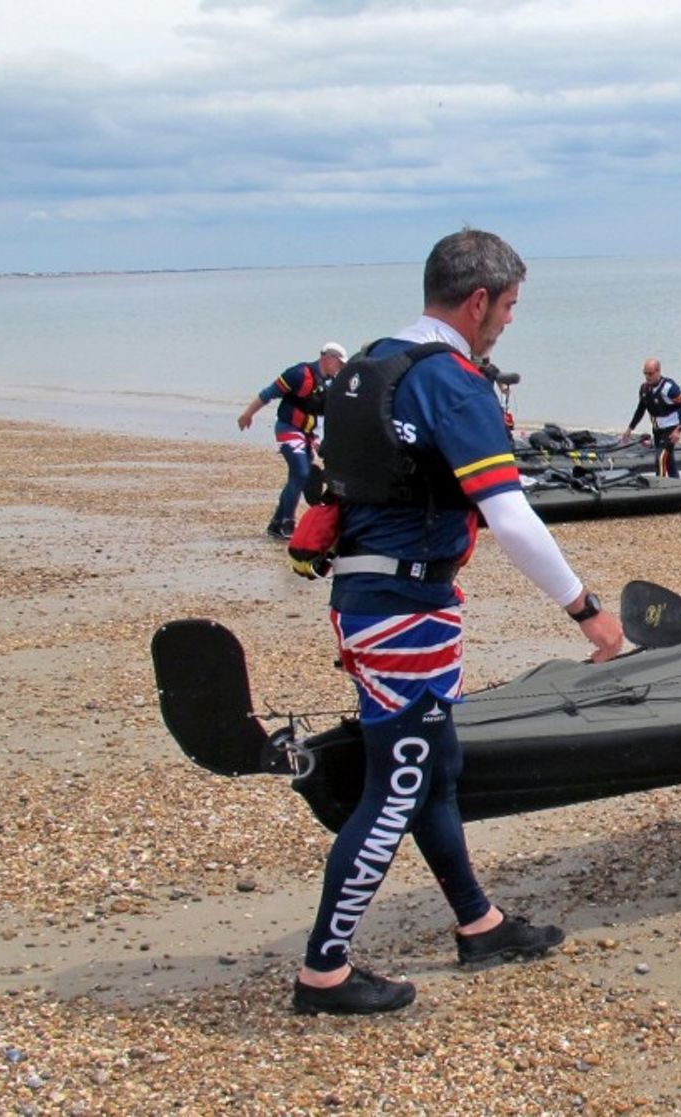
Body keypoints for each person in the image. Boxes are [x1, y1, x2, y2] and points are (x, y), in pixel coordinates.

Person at [295, 229, 625, 1016]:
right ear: (478, 301)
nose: (508, 322)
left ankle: (478, 923)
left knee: (435, 769)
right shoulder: (451, 382)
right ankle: (324, 971)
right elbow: (509, 518)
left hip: (376, 596)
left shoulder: (376, 360)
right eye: (508, 307)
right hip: (402, 612)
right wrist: (587, 609)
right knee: (397, 785)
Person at [238, 342, 345, 539]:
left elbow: (327, 415)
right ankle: (288, 522)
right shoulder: (298, 374)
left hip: (307, 435)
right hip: (288, 429)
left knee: (298, 476)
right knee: (301, 472)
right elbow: (268, 393)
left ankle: (276, 524)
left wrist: (322, 440)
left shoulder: (329, 382)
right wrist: (248, 414)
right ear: (328, 358)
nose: (339, 369)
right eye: (339, 364)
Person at [620, 358, 681, 477]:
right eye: (645, 373)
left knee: (660, 458)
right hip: (657, 429)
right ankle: (677, 485)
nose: (647, 377)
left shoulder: (669, 388)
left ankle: (660, 487)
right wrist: (630, 429)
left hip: (671, 428)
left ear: (658, 372)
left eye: (650, 374)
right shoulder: (644, 389)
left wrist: (679, 430)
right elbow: (640, 409)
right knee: (668, 460)